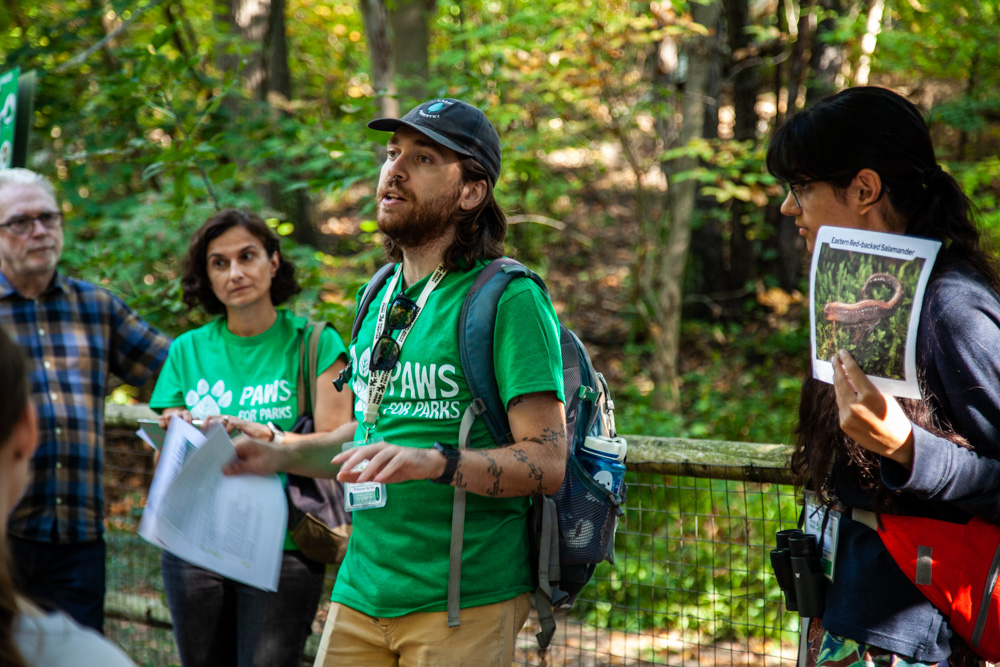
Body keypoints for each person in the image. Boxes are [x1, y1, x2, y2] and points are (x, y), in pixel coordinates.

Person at [223, 98, 568, 667]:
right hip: (359, 592)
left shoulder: (510, 299)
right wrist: (275, 452)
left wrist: (436, 462)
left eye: (425, 158)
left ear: (471, 192)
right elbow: (368, 441)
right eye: (391, 153)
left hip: (462, 601)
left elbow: (548, 462)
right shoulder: (378, 296)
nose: (395, 170)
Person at [767, 86, 1000, 666]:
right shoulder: (858, 293)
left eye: (800, 188)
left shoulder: (953, 309)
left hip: (926, 631)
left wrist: (907, 449)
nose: (787, 208)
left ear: (864, 188)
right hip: (851, 613)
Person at [148, 208, 354, 667]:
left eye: (247, 256)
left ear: (273, 262)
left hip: (283, 546)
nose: (235, 272)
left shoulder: (314, 343)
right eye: (219, 263)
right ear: (206, 276)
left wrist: (275, 438)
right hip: (193, 542)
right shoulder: (187, 349)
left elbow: (343, 440)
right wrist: (175, 422)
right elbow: (167, 435)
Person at [0, 168, 170, 633]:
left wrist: (179, 409)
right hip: (3, 537)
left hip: (77, 538)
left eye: (48, 218)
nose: (39, 231)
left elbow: (175, 368)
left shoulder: (95, 307)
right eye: (20, 222)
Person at [0, 326, 138, 667]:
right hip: (18, 536)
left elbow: (168, 361)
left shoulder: (97, 306)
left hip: (78, 537)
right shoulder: (84, 658)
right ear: (29, 428)